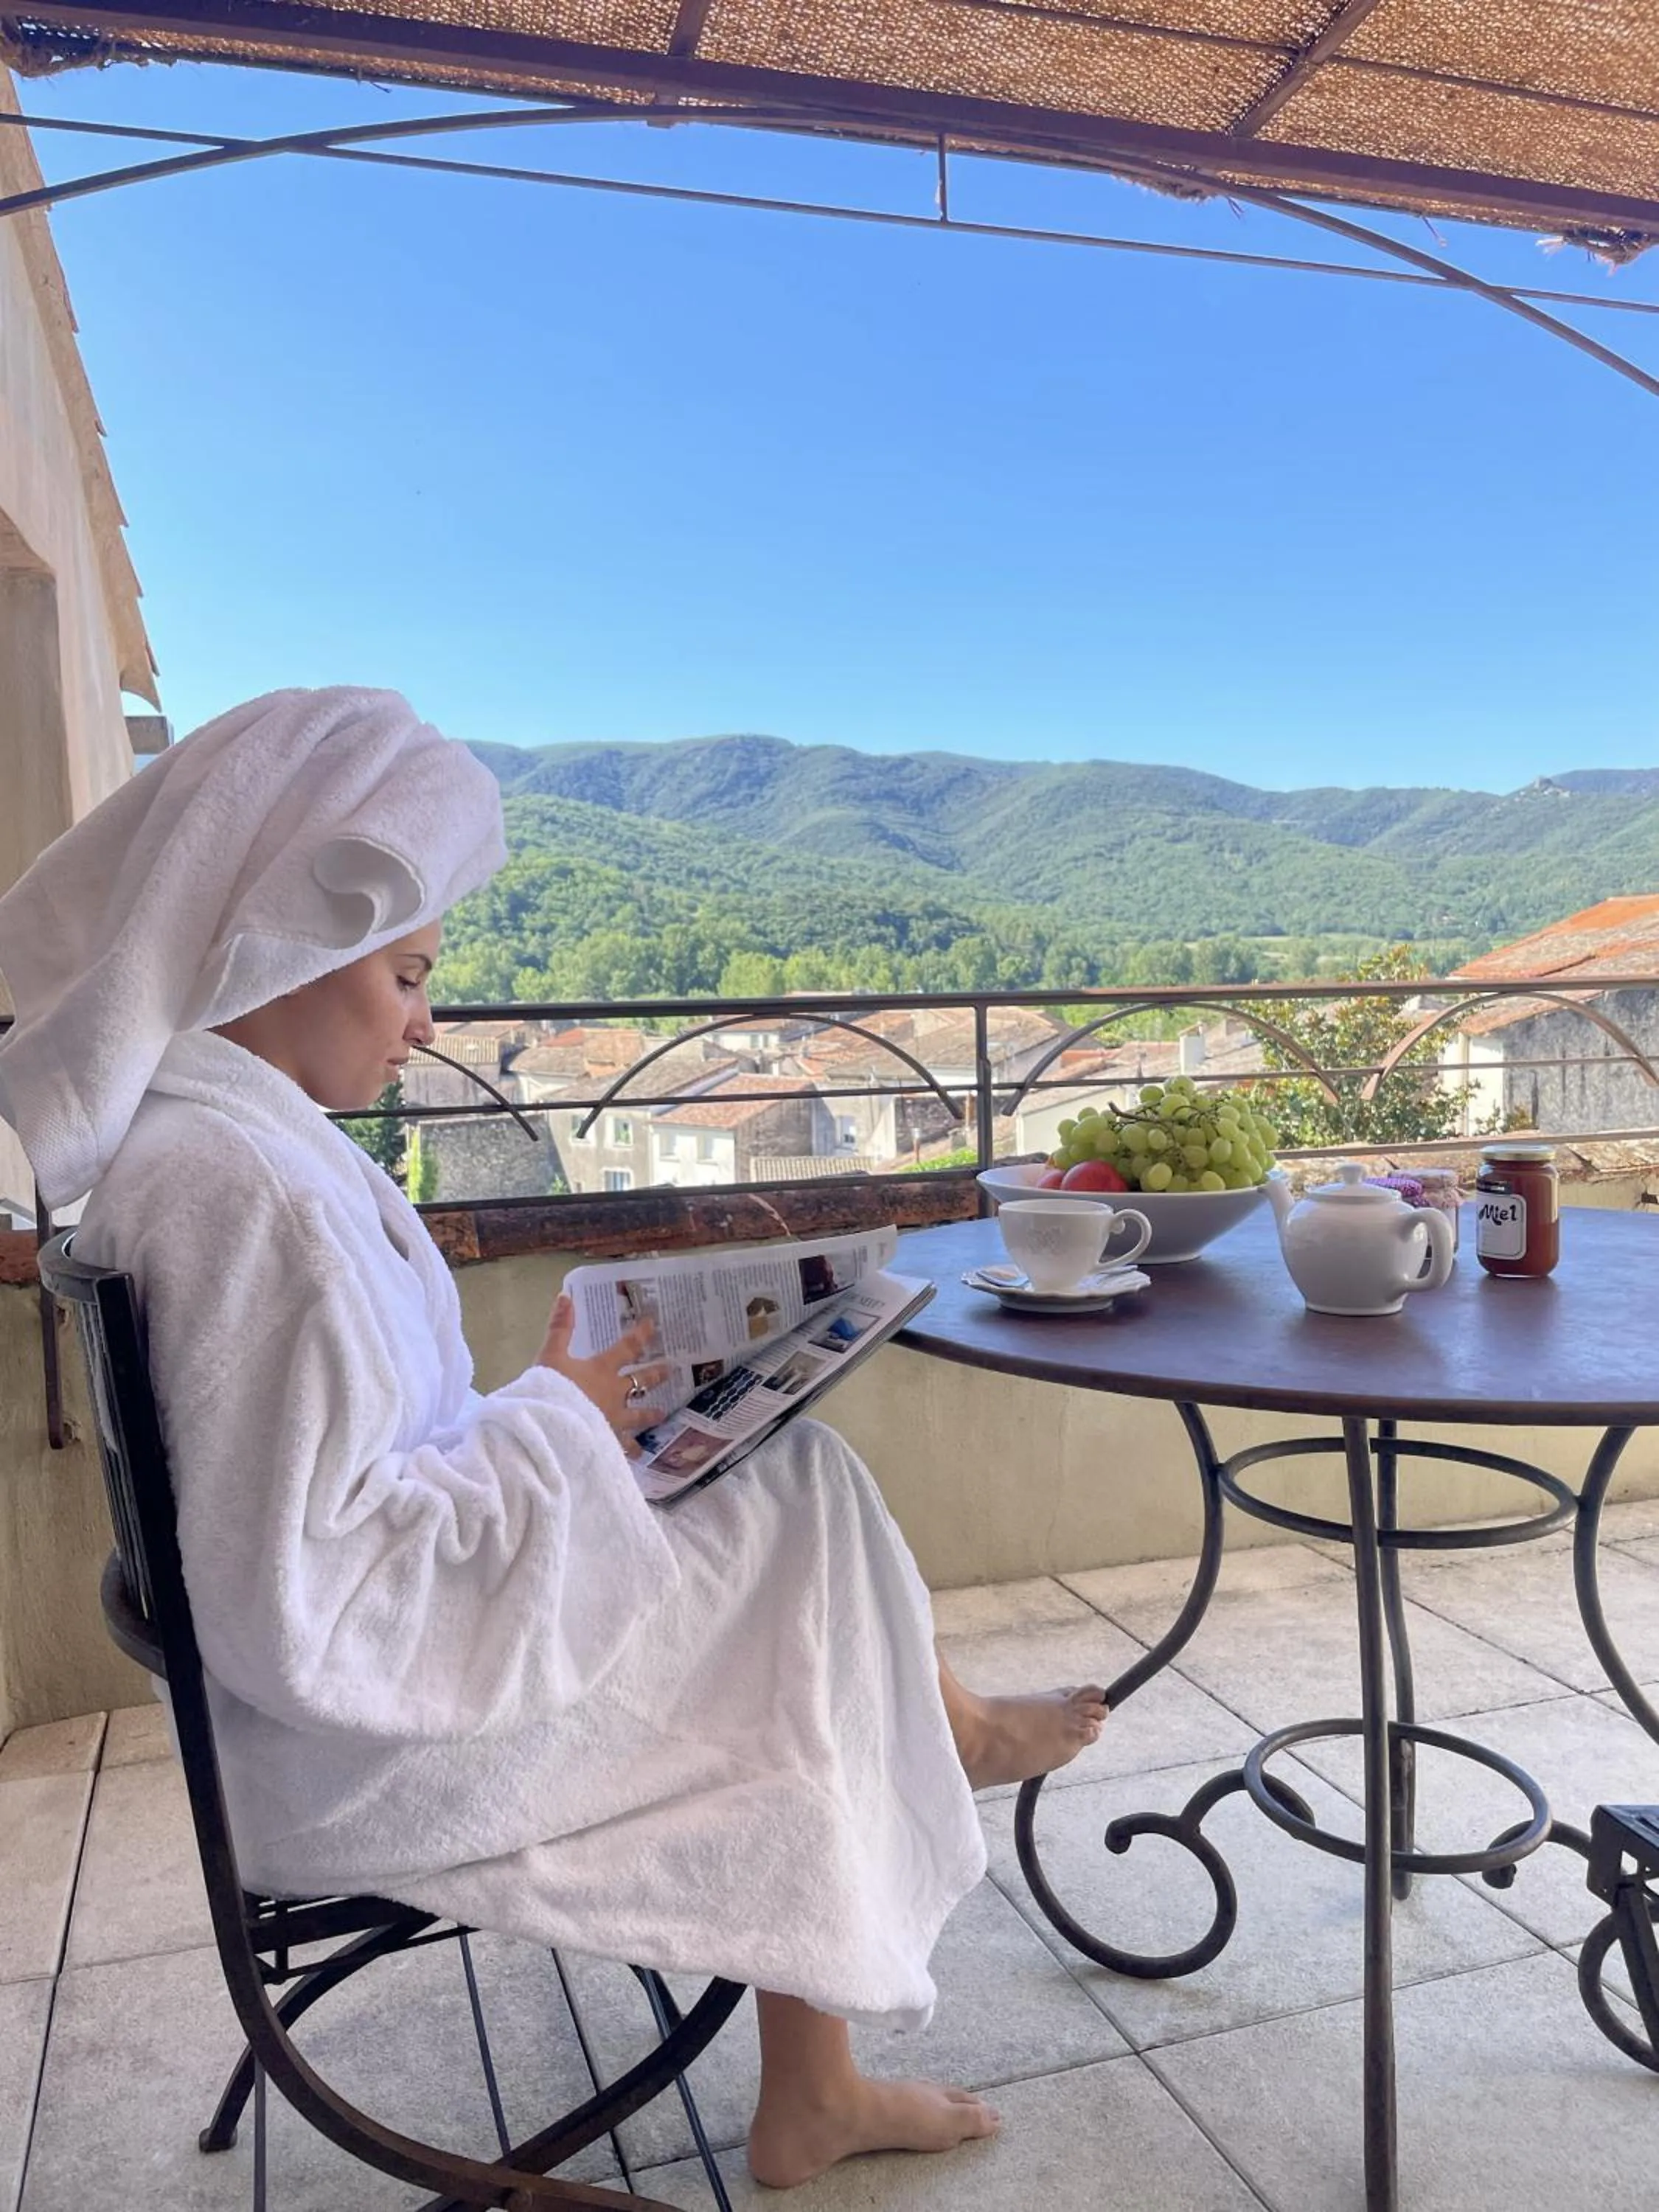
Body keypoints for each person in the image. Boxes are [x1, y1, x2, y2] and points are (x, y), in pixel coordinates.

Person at [0, 689, 1107, 2189]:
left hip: (353, 1693)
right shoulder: (243, 1189)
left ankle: (881, 1906)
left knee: (792, 1486)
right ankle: (857, 1976)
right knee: (804, 1577)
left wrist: (565, 1425)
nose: (426, 1019)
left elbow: (327, 1496)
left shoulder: (225, 1146)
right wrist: (563, 1425)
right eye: (405, 973)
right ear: (288, 943)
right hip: (365, 1755)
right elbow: (323, 1602)